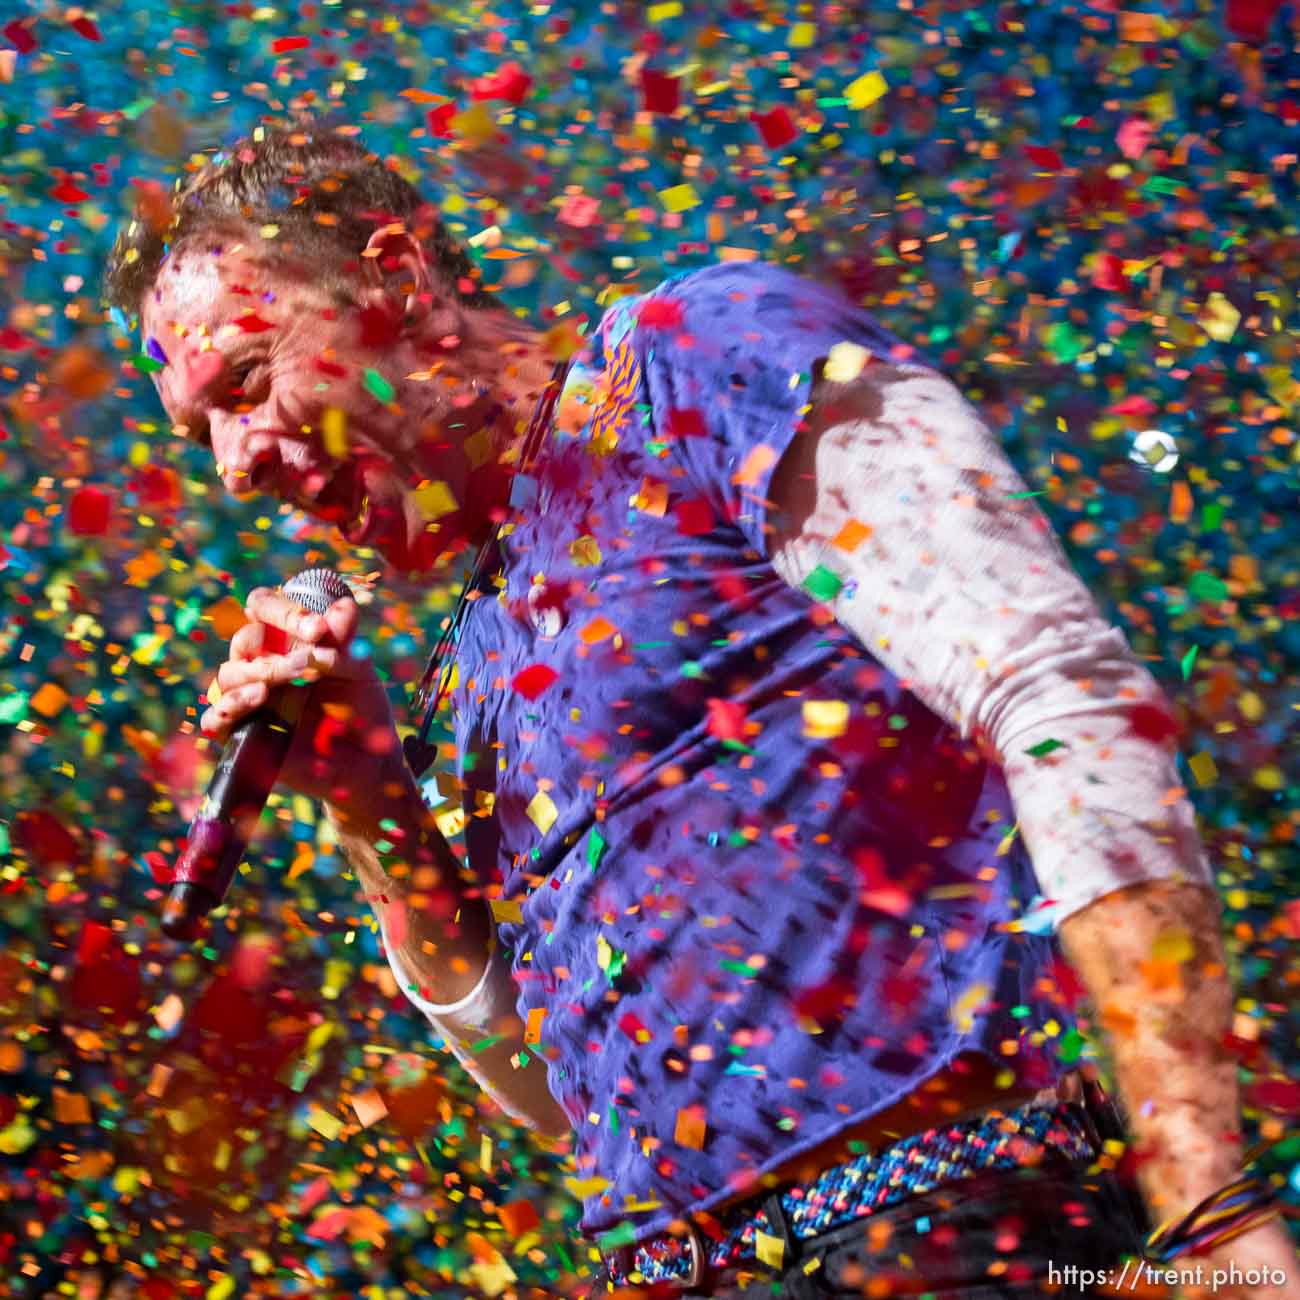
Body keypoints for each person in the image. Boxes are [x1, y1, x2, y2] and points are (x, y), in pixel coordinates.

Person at [103, 124, 1299, 1299]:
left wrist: (1200, 1194)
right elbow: (563, 1098)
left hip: (952, 1229)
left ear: (398, 279)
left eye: (246, 383)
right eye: (196, 431)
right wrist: (371, 810)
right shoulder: (464, 669)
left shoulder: (691, 359)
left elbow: (1048, 686)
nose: (231, 467)